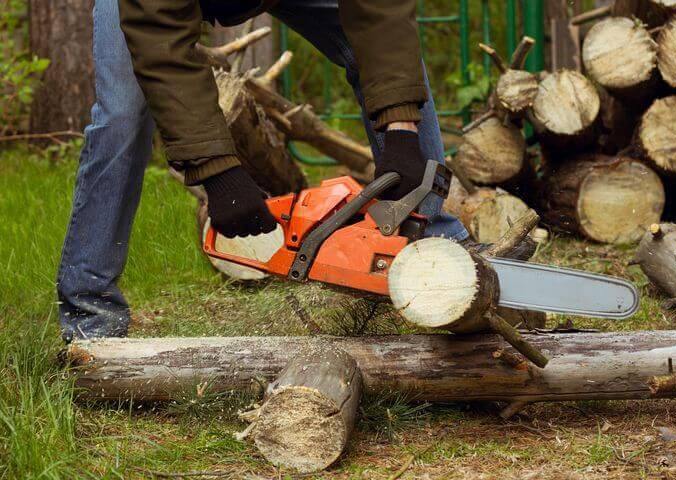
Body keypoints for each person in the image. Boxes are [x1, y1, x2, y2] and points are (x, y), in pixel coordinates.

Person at [56, 0, 472, 343]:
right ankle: (90, 315)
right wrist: (217, 173)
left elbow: (382, 17)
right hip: (150, 8)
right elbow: (160, 42)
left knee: (395, 62)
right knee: (123, 116)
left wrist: (401, 132)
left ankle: (439, 248)